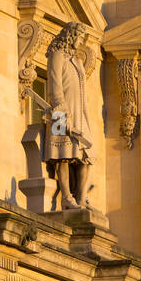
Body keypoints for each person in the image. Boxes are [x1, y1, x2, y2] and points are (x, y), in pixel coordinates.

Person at [44, 23, 93, 208]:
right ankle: (66, 197)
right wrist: (61, 108)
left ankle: (81, 197)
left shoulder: (77, 60)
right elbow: (54, 83)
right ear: (70, 36)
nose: (80, 42)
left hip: (80, 113)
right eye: (79, 38)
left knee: (87, 154)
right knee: (61, 155)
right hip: (59, 112)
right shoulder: (57, 56)